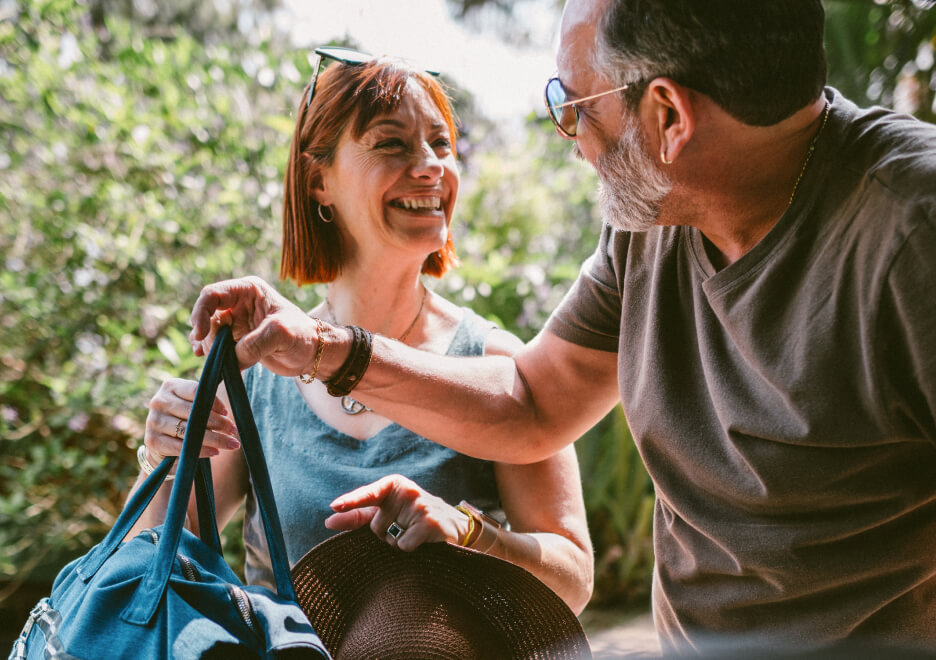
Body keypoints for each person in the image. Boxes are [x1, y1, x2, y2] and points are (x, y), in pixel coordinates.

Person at [180, 1, 936, 656]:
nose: (566, 137)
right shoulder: (655, 220)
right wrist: (327, 352)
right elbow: (534, 403)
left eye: (568, 105)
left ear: (667, 116)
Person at [126, 49, 594, 613]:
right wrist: (160, 458)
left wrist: (469, 534)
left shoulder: (494, 362)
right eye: (391, 143)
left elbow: (572, 579)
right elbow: (148, 568)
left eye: (441, 144)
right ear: (318, 179)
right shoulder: (254, 373)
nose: (430, 166)